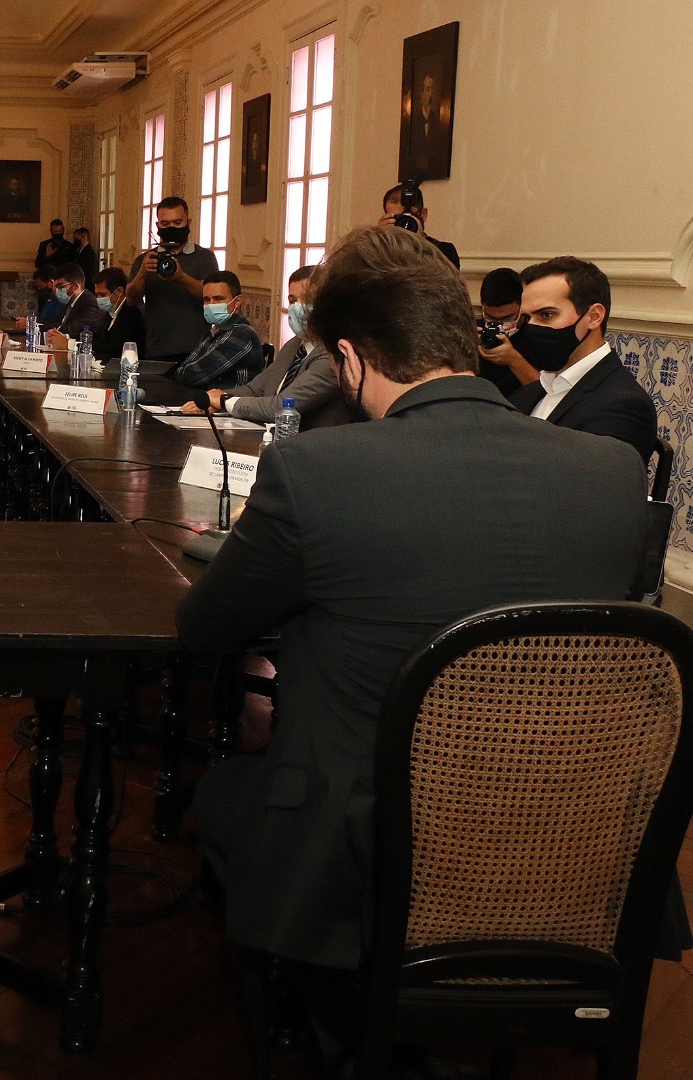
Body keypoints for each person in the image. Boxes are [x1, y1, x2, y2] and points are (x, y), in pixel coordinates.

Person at [180, 226, 653, 1071]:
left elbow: (205, 632)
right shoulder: (614, 470)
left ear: (353, 360)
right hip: (570, 835)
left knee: (218, 794)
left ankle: (310, 1023)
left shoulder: (319, 472)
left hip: (364, 851)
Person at [507, 256, 657, 461]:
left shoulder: (624, 405)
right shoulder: (528, 394)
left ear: (594, 317)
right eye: (526, 318)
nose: (532, 327)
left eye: (546, 315)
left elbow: (589, 487)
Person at [183, 265, 345, 429]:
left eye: (308, 300)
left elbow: (281, 407)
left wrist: (225, 401)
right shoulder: (294, 345)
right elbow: (254, 390)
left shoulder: (333, 355)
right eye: (292, 301)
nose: (296, 307)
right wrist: (213, 398)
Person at [128, 197, 220, 368]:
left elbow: (212, 296)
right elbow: (131, 299)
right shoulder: (146, 259)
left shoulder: (205, 258)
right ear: (157, 226)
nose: (171, 228)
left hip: (197, 349)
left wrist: (181, 278)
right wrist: (142, 273)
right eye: (165, 223)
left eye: (177, 222)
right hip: (157, 348)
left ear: (188, 222)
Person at [171, 270, 264, 390]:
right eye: (206, 299)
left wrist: (182, 373)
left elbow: (192, 377)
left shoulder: (241, 335)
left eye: (218, 299)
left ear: (237, 302)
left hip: (226, 406)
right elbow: (183, 370)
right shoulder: (216, 330)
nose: (211, 304)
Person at [474, 267, 535, 396]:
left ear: (522, 306)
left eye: (507, 318)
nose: (499, 324)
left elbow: (547, 395)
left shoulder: (537, 335)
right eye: (491, 317)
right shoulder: (472, 331)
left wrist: (514, 360)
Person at [378, 184, 459, 267]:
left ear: (423, 215)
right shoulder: (382, 252)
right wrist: (380, 240)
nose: (405, 224)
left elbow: (445, 279)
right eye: (398, 218)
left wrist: (420, 243)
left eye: (408, 217)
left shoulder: (444, 250)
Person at [84, 267, 147, 364]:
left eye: (102, 295)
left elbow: (113, 347)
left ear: (119, 291)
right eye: (97, 295)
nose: (98, 299)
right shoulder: (110, 313)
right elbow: (97, 335)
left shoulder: (132, 313)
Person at [40, 264, 102, 347]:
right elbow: (56, 322)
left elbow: (71, 329)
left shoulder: (91, 304)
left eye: (61, 287)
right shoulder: (69, 302)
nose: (57, 291)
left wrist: (52, 330)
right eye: (56, 287)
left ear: (75, 286)